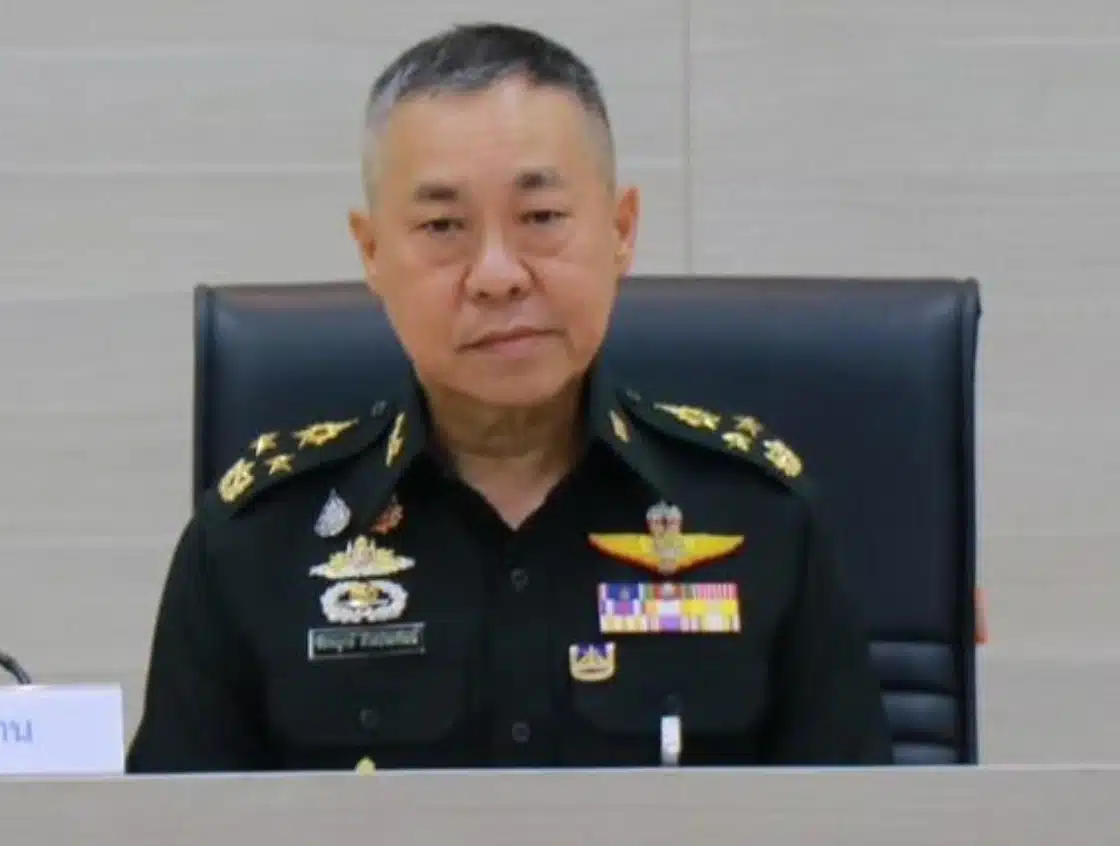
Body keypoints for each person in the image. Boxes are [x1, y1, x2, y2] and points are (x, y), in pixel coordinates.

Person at [125, 21, 892, 774]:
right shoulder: (255, 543)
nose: (496, 274)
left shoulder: (760, 517)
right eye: (442, 226)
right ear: (372, 252)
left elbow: (863, 824)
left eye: (542, 218)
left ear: (622, 230)